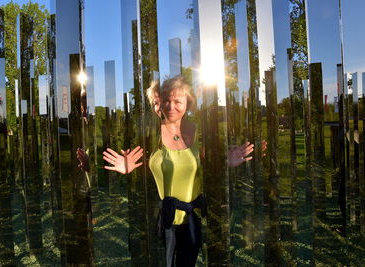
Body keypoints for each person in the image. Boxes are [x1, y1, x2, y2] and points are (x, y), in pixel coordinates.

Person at [78, 76, 266, 266]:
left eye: (177, 101)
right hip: (161, 221)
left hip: (193, 219)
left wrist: (226, 162)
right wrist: (118, 168)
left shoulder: (199, 131)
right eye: (163, 101)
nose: (170, 106)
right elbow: (126, 163)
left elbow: (210, 165)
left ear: (187, 103)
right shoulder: (148, 135)